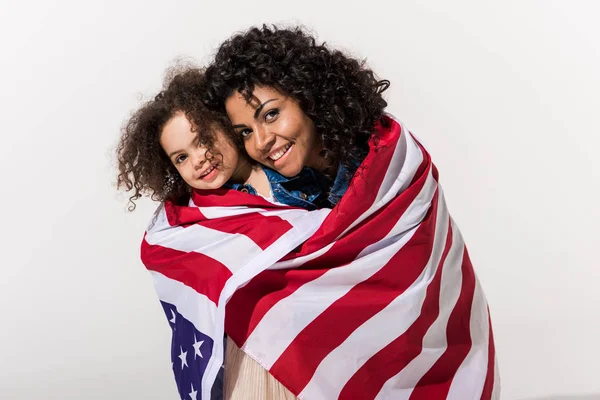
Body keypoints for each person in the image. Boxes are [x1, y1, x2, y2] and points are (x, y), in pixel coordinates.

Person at [203, 25, 390, 207]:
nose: (260, 143)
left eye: (271, 115)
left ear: (308, 95)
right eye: (245, 132)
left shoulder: (386, 159)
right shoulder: (266, 195)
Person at [116, 66, 329, 212]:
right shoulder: (199, 217)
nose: (197, 160)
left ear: (227, 125)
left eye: (202, 140)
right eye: (181, 158)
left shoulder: (289, 164)